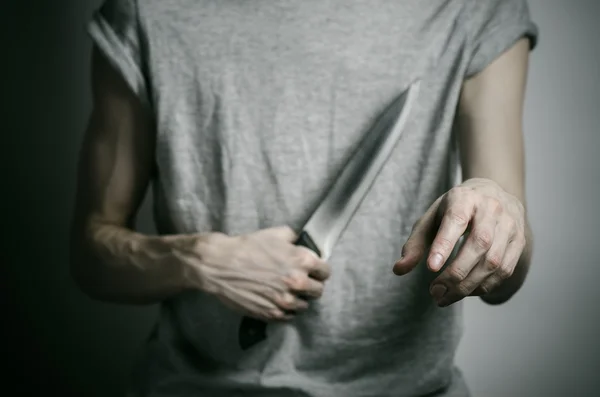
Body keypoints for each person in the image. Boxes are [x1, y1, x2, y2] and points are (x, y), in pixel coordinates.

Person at [69, 0, 538, 396]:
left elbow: (510, 275)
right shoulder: (145, 11)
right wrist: (200, 259)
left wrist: (496, 217)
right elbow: (91, 258)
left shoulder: (471, 7)